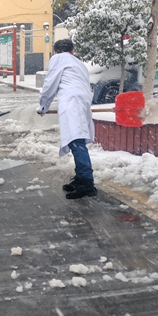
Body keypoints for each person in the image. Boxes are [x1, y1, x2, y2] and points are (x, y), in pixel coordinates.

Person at [36, 39, 98, 199]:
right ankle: (80, 178)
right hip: (83, 100)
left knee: (76, 141)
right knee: (77, 139)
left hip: (71, 101)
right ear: (72, 51)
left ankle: (87, 184)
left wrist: (43, 106)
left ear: (56, 51)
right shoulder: (78, 63)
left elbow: (50, 84)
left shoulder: (58, 59)